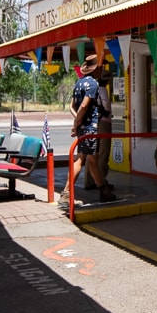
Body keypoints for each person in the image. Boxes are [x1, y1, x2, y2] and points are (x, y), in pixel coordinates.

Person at [63, 55, 115, 205]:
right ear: (96, 69)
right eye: (100, 67)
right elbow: (84, 105)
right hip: (90, 128)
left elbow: (71, 106)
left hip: (83, 128)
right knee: (81, 159)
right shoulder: (93, 84)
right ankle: (66, 192)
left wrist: (77, 121)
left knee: (93, 159)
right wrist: (77, 121)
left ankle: (103, 189)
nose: (102, 70)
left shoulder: (79, 83)